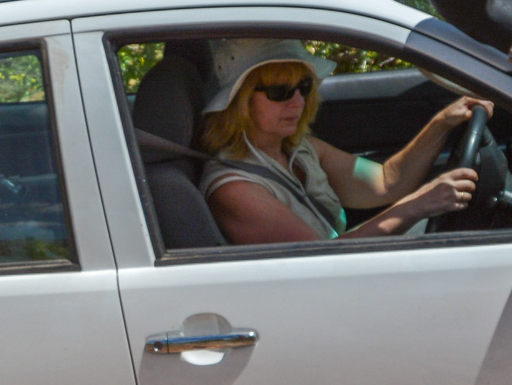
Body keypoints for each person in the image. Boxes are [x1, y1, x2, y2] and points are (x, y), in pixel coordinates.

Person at [199, 38, 491, 245]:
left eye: (304, 86)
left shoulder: (301, 149)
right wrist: (418, 204)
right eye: (280, 91)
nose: (299, 101)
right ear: (239, 101)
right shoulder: (235, 189)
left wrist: (443, 123)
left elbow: (385, 182)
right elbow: (322, 259)